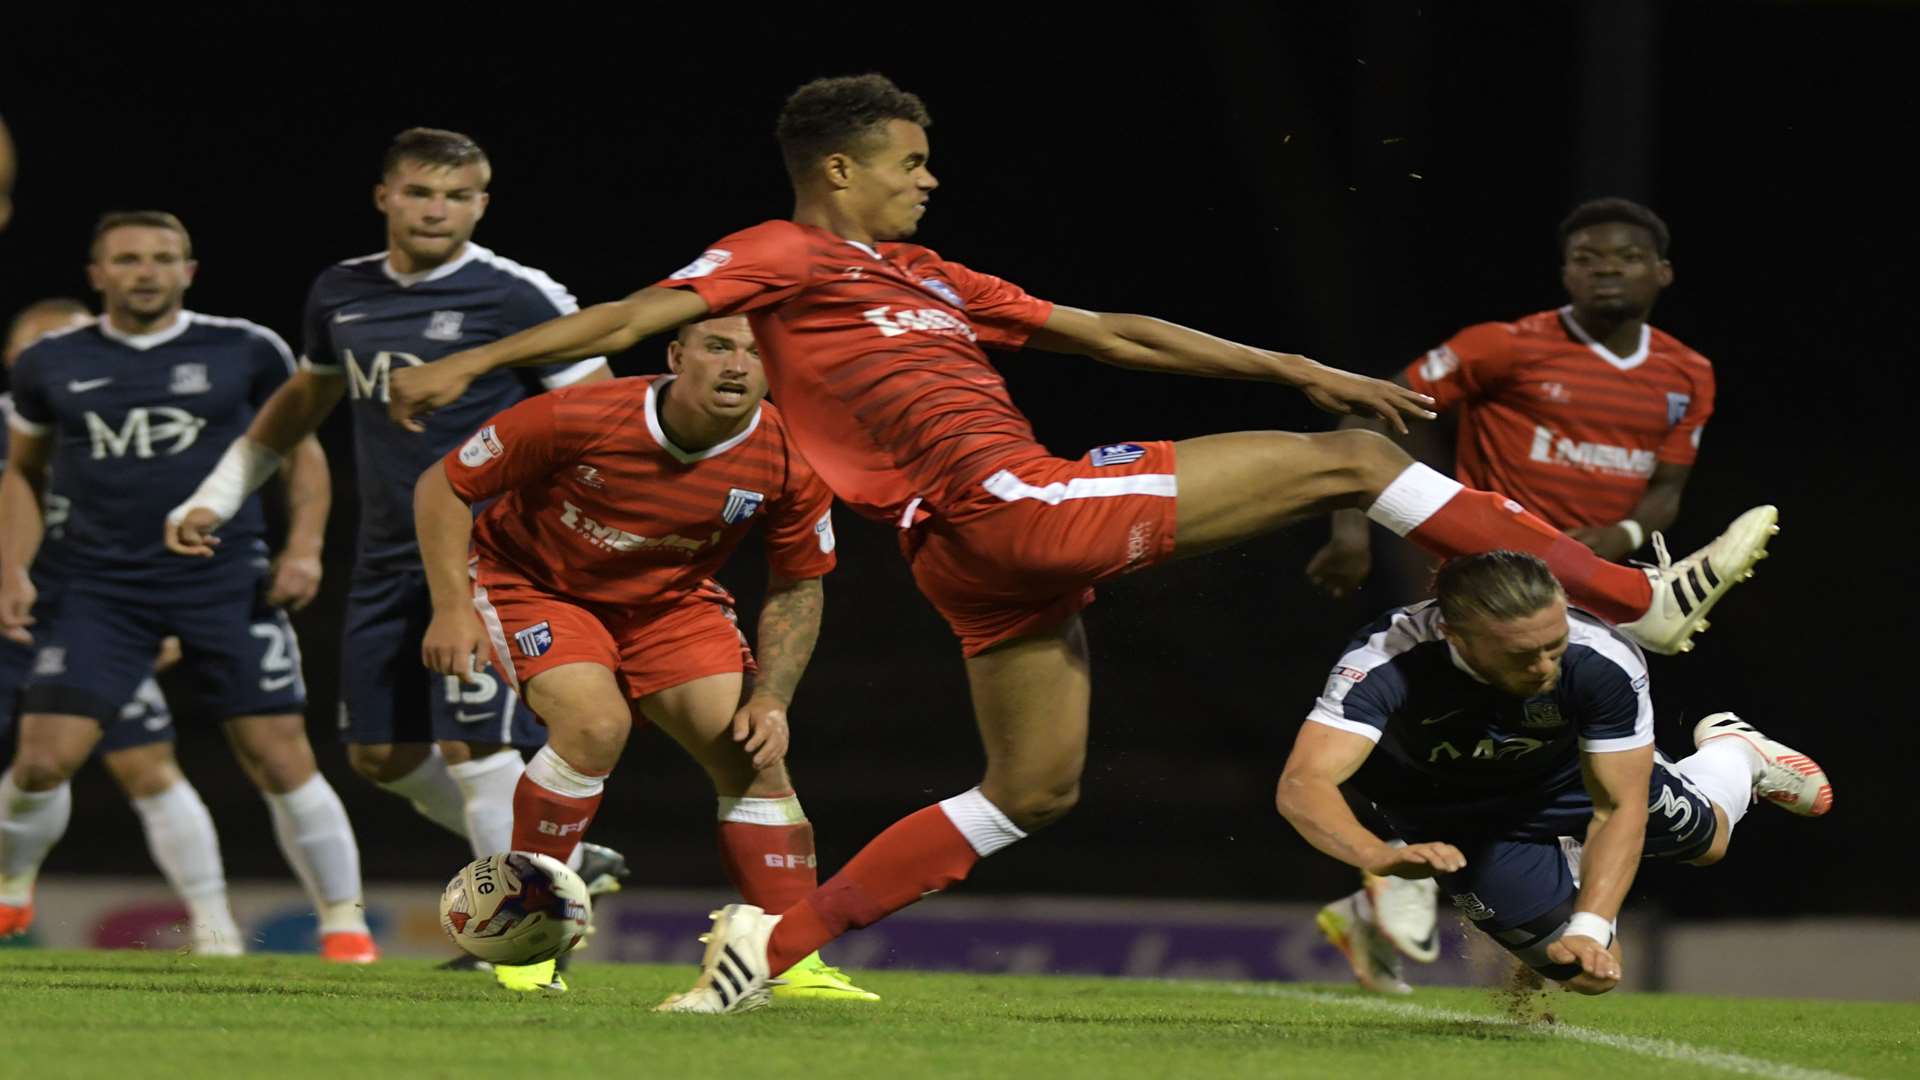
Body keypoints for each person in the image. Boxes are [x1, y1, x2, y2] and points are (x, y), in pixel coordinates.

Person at [384, 75, 1777, 1014]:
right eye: (911, 163)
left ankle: (761, 949)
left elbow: (1113, 331)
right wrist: (475, 370)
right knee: (1358, 465)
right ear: (838, 168)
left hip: (982, 548)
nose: (929, 181)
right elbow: (630, 314)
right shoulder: (783, 255)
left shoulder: (927, 278)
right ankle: (1631, 600)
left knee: (1033, 791)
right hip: (1003, 505)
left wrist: (1292, 363)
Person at [162, 129, 627, 990]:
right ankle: (567, 860)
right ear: (385, 196)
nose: (437, 211)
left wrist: (573, 529)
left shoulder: (517, 295)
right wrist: (218, 497)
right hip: (385, 554)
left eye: (457, 197)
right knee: (380, 754)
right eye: (421, 193)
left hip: (490, 551)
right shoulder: (342, 291)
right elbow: (305, 399)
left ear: (482, 204)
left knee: (474, 742)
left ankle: (522, 940)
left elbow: (603, 412)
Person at [1304, 197, 1718, 992]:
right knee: (1517, 767)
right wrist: (1354, 529)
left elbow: (1666, 491)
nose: (1604, 267)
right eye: (1586, 256)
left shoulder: (1686, 373)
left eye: (1624, 255)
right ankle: (1424, 909)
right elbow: (1375, 407)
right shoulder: (1502, 346)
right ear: (1564, 272)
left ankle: (1396, 916)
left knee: (1567, 779)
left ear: (1661, 272)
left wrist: (1622, 542)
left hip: (1598, 600)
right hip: (1499, 595)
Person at [416, 314, 875, 1001]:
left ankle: (790, 960)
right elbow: (444, 484)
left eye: (757, 354)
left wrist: (773, 698)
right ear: (677, 354)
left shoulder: (793, 453)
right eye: (718, 346)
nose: (737, 366)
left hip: (669, 603)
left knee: (753, 751)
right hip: (536, 585)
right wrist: (452, 606)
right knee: (595, 727)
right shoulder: (581, 413)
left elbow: (798, 583)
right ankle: (522, 943)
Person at [0, 211, 373, 961]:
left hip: (224, 580)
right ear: (97, 274)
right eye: (129, 259)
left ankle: (344, 924)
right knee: (42, 760)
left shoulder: (245, 349)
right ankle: (10, 893)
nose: (147, 271)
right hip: (97, 588)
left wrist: (303, 548)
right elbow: (26, 474)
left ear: (189, 271)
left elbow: (299, 452)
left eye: (164, 258)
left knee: (279, 754)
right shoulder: (50, 364)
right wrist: (13, 566)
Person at [1276, 550, 1830, 993]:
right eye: (1521, 655)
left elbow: (1618, 807)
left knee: (1707, 842)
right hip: (1452, 816)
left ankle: (1733, 751)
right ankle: (1563, 872)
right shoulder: (1384, 661)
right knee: (1589, 974)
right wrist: (1378, 855)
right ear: (1453, 634)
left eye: (1554, 645)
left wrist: (1591, 924)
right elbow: (1304, 783)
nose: (1545, 668)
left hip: (1569, 777)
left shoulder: (1602, 659)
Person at [0, 299, 249, 954]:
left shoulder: (126, 427)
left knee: (146, 765)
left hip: (91, 623)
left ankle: (215, 926)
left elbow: (156, 528)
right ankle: (11, 884)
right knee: (37, 766)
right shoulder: (14, 431)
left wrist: (156, 614)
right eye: (40, 343)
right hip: (9, 625)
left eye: (69, 338)